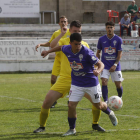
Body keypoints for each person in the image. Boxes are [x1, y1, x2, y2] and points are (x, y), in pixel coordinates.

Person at [33, 20, 105, 134]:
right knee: (47, 102)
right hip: (64, 79)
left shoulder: (83, 45)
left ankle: (95, 124)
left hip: (81, 81)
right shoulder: (63, 41)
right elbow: (52, 45)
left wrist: (97, 71)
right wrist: (61, 34)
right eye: (75, 31)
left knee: (97, 104)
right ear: (70, 30)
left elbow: (92, 61)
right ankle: (42, 126)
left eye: (79, 31)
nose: (77, 33)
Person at [44, 33, 118, 136]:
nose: (78, 46)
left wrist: (98, 70)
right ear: (70, 43)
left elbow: (101, 64)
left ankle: (110, 113)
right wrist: (48, 51)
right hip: (77, 84)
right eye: (76, 44)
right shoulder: (67, 49)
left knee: (98, 105)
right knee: (71, 105)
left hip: (91, 83)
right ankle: (72, 129)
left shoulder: (87, 52)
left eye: (79, 44)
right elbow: (60, 47)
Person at [35, 15, 70, 108]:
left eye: (65, 21)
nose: (63, 23)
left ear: (67, 23)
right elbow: (51, 43)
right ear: (59, 23)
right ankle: (53, 99)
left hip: (67, 60)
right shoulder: (56, 33)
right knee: (53, 79)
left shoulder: (71, 32)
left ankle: (71, 98)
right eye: (61, 21)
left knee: (70, 79)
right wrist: (41, 44)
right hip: (58, 59)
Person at [96, 21, 124, 103]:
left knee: (118, 84)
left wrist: (115, 65)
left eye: (111, 27)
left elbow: (119, 54)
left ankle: (120, 98)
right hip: (105, 66)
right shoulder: (101, 39)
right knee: (104, 81)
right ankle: (105, 101)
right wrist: (98, 64)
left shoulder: (118, 39)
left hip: (115, 66)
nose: (109, 29)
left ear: (114, 28)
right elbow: (98, 52)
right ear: (106, 28)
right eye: (108, 27)